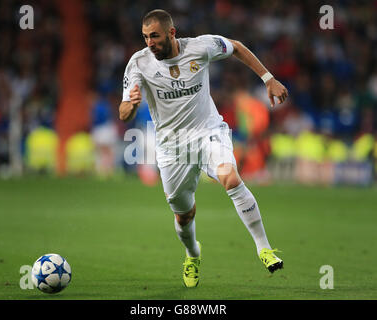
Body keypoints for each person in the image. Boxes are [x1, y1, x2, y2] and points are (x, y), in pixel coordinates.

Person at [119, 9, 288, 288]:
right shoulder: (138, 64)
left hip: (208, 132)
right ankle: (192, 254)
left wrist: (268, 78)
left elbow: (237, 47)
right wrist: (131, 104)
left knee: (230, 178)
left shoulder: (200, 47)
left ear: (172, 33)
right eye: (146, 37)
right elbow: (124, 112)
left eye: (155, 36)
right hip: (172, 147)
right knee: (184, 214)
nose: (150, 43)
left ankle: (264, 248)